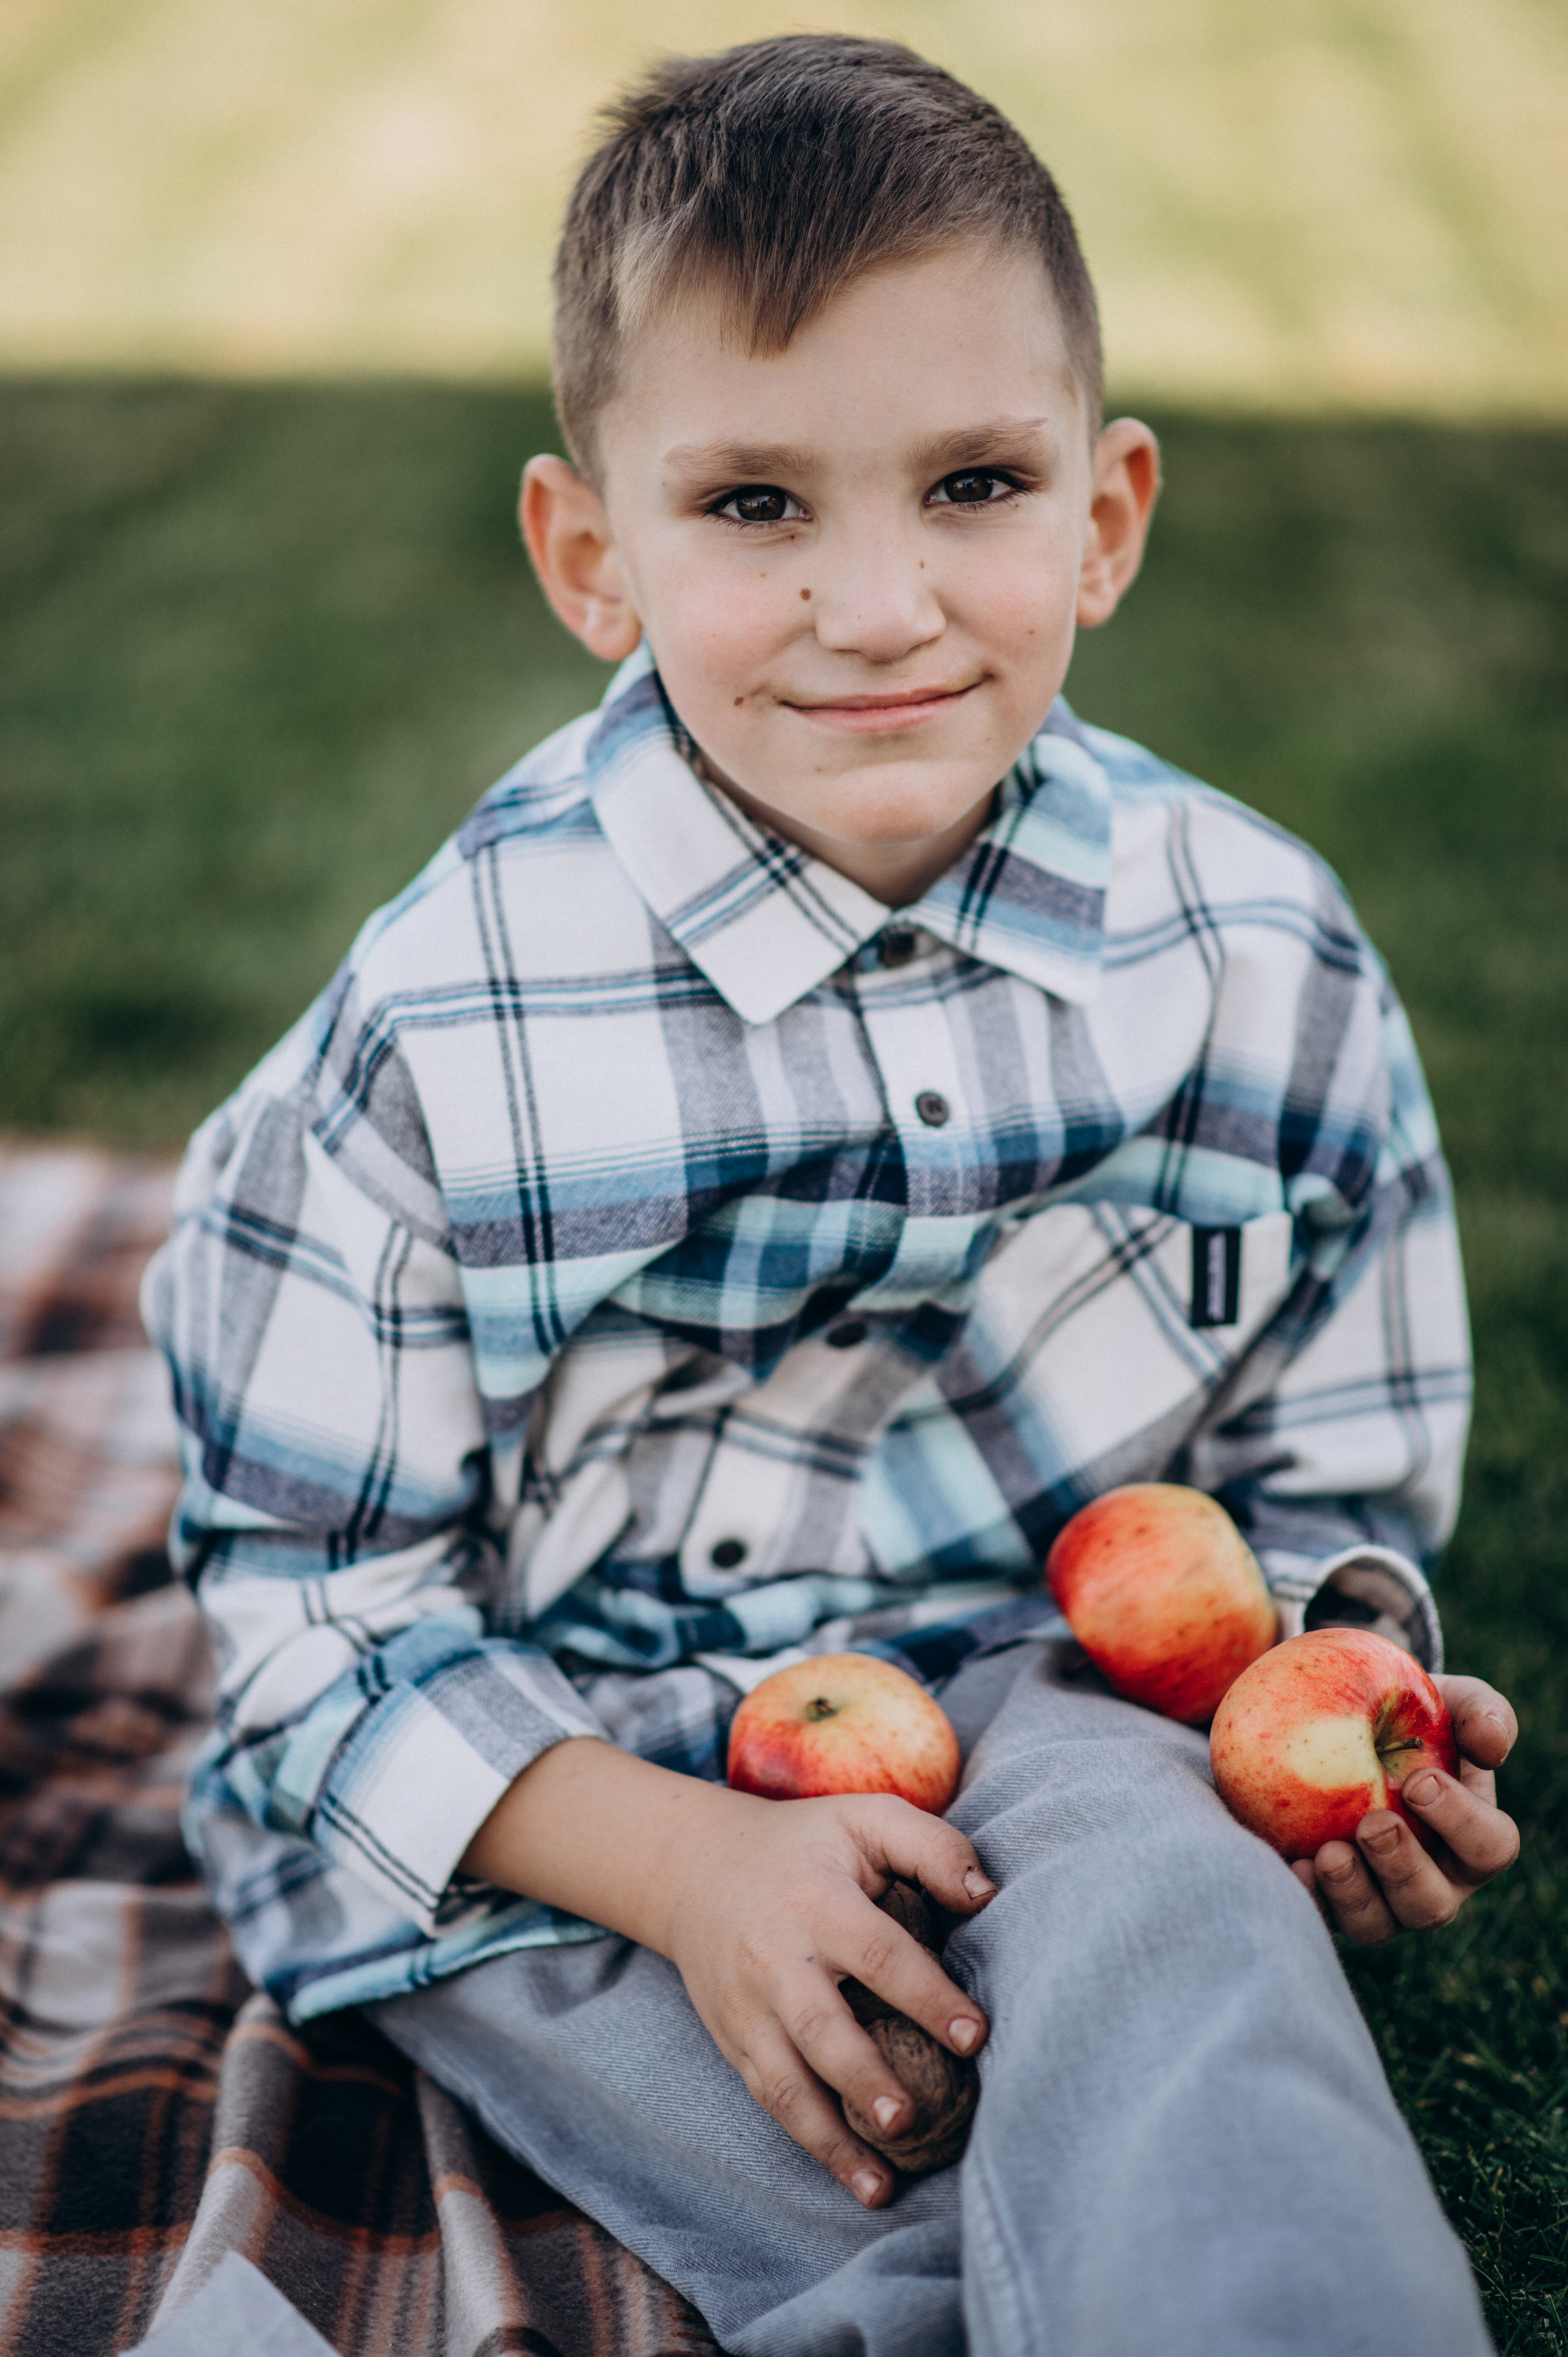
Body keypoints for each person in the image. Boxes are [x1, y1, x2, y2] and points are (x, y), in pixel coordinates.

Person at [143, 35, 1520, 2355]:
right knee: (863, 2128)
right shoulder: (451, 1026)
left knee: (1185, 1963)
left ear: (1106, 512)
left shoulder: (1256, 955)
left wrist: (1324, 1674)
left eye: (972, 483)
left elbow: (1327, 1451)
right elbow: (305, 1602)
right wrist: (680, 1863)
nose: (878, 605)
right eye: (757, 507)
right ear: (596, 557)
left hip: (1059, 1684)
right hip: (569, 1760)